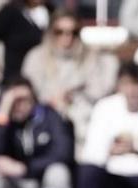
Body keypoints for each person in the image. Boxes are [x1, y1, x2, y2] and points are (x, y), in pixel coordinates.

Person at [20, 7, 115, 141]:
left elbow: (99, 93)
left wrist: (74, 95)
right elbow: (28, 93)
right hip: (44, 121)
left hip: (82, 121)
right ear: (51, 32)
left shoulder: (90, 58)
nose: (67, 37)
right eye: (60, 32)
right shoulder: (36, 58)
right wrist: (52, 101)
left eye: (73, 32)